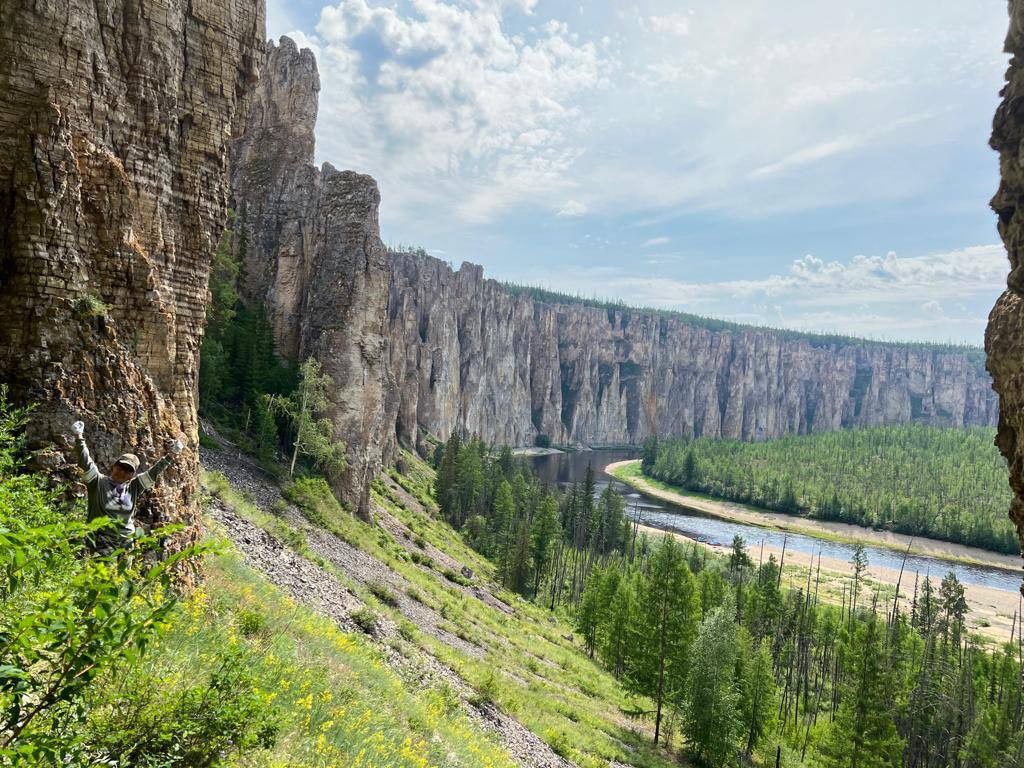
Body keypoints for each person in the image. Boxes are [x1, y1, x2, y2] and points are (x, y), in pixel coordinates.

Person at [70, 420, 184, 553]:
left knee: (124, 573)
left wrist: (171, 456)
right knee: (103, 573)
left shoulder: (134, 487)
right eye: (121, 467)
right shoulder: (97, 481)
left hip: (126, 543)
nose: (122, 472)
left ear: (132, 475)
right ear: (114, 466)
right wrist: (79, 436)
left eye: (128, 470)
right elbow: (85, 461)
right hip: (101, 541)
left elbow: (153, 472)